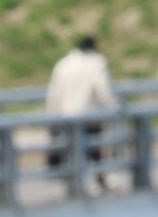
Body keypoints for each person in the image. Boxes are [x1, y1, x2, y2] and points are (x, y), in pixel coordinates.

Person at [46, 35, 120, 191]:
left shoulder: (63, 64)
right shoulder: (96, 62)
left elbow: (54, 93)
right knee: (94, 151)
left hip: (66, 115)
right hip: (88, 115)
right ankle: (99, 179)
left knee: (72, 149)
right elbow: (102, 88)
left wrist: (52, 114)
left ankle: (73, 183)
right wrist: (113, 106)